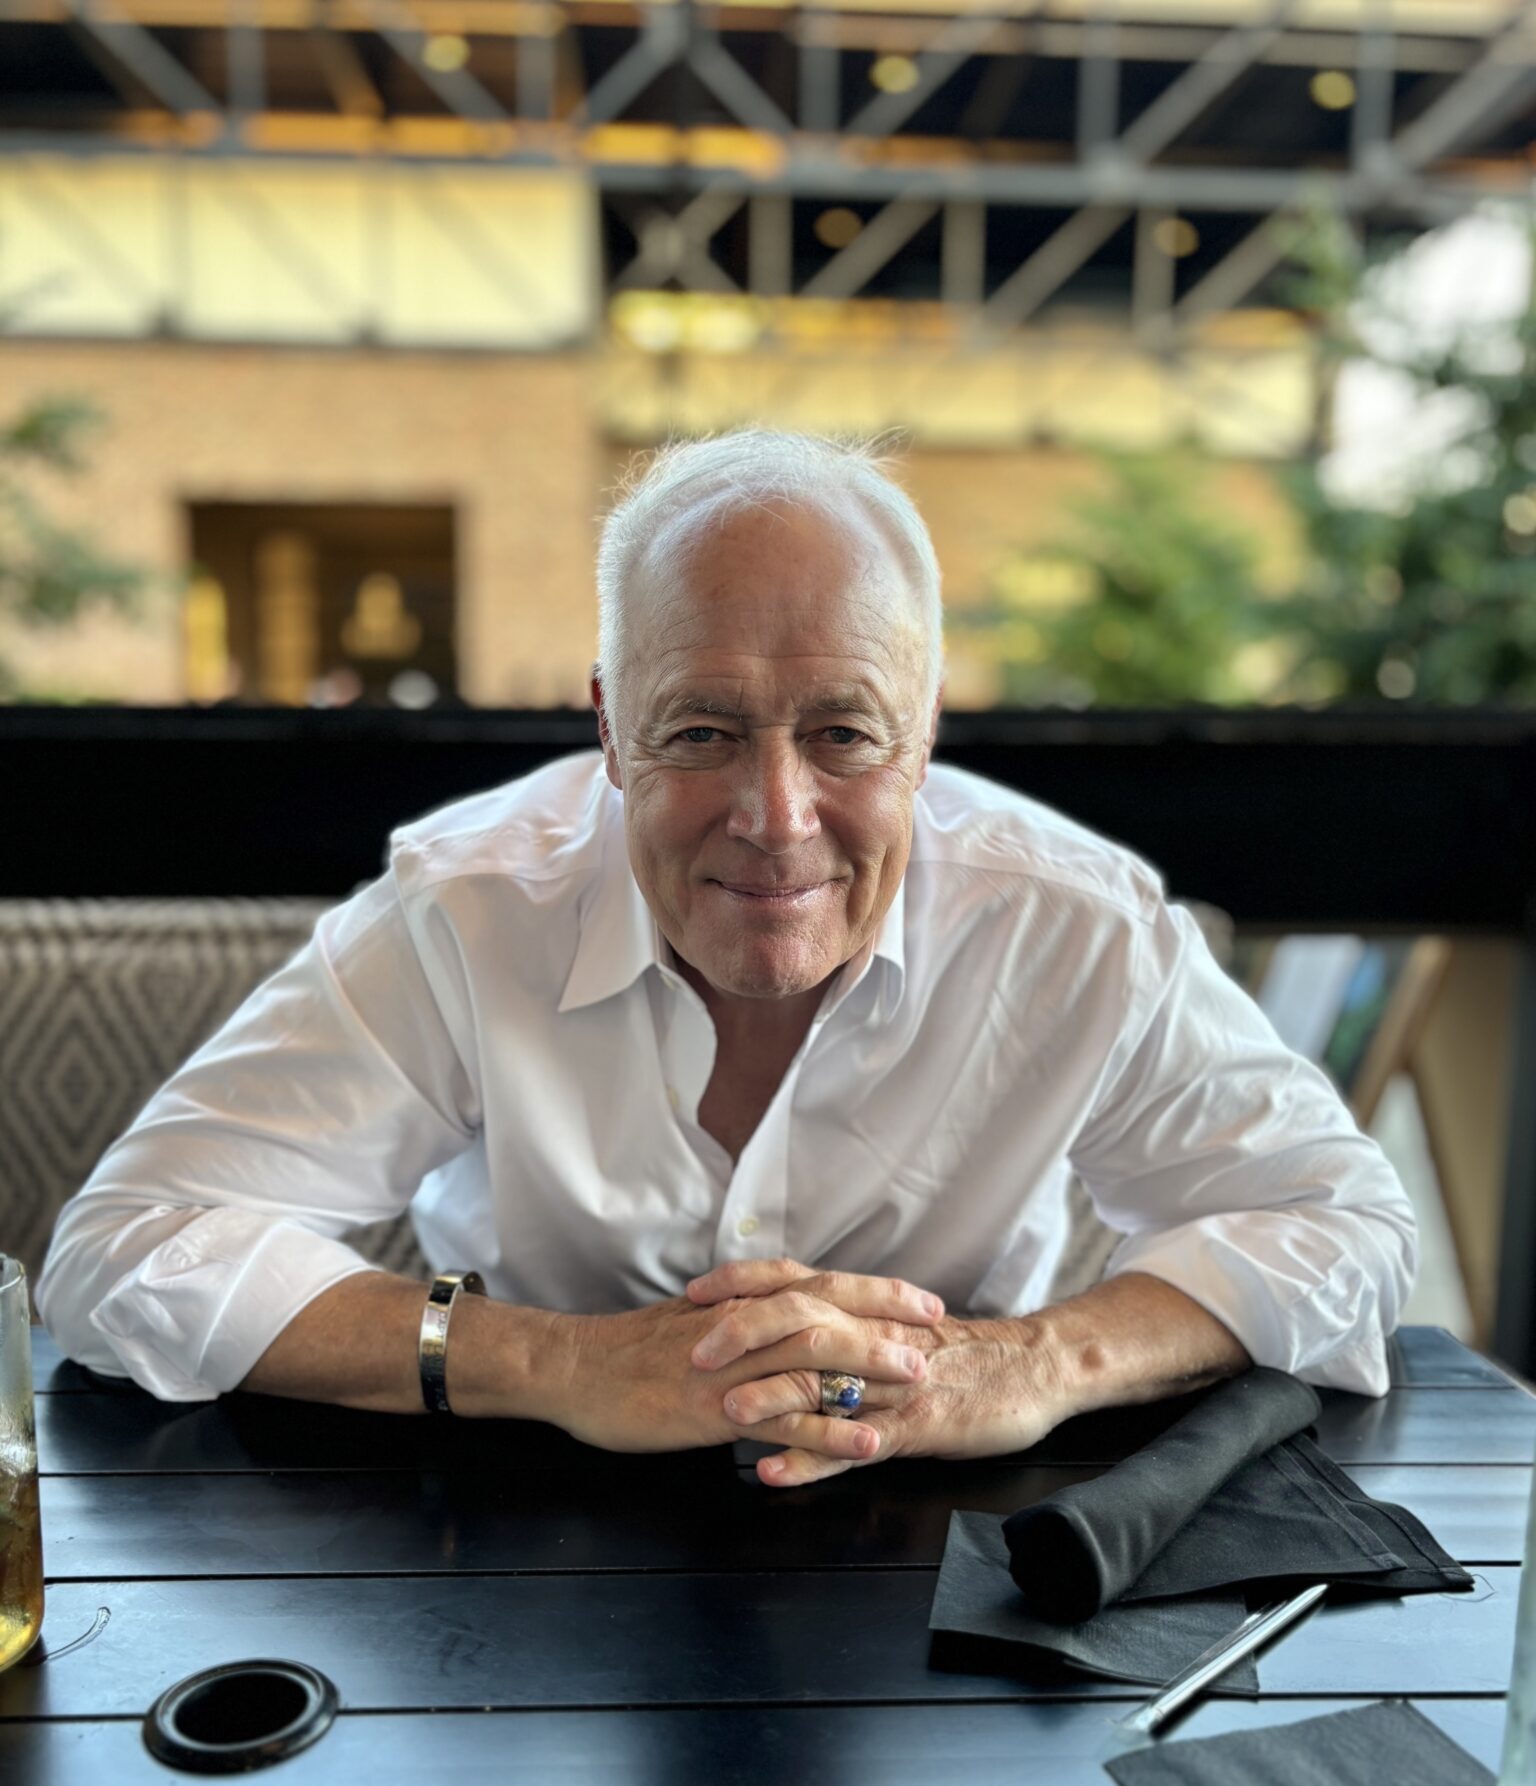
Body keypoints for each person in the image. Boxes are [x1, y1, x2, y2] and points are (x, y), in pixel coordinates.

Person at [38, 431, 1416, 1489]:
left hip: (983, 1568)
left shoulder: (1075, 928)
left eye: (844, 733)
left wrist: (1027, 1363)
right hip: (514, 1572)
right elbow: (122, 1254)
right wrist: (559, 1365)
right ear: (607, 727)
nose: (774, 818)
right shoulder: (462, 913)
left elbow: (1347, 1228)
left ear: (926, 730)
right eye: (699, 731)